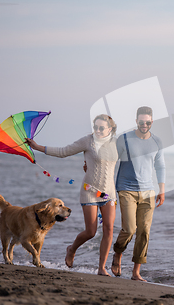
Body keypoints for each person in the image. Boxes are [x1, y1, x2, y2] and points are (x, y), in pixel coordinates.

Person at [26, 114, 118, 276]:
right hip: (89, 192)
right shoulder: (87, 141)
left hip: (109, 194)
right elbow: (64, 151)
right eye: (95, 127)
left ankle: (101, 268)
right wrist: (38, 147)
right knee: (91, 232)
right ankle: (72, 249)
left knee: (109, 229)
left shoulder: (117, 144)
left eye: (101, 128)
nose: (97, 130)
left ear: (110, 129)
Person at [111, 106, 165, 281]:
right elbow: (111, 160)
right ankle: (118, 253)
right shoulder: (125, 139)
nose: (144, 125)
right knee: (130, 229)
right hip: (126, 189)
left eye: (148, 122)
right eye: (141, 122)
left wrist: (161, 190)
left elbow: (160, 166)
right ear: (136, 121)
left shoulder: (157, 141)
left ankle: (136, 272)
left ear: (151, 122)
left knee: (144, 231)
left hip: (148, 191)